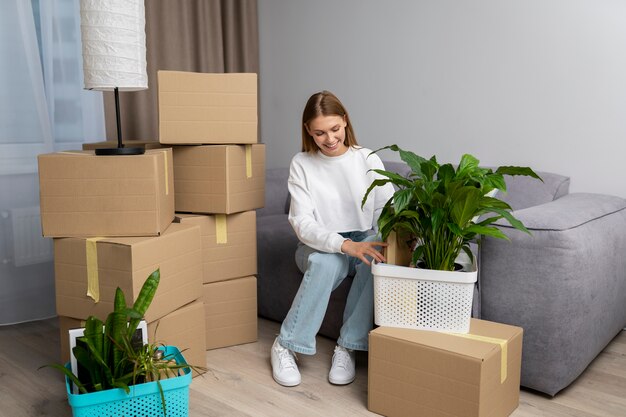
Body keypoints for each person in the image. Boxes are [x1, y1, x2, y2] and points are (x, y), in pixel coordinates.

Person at [270, 90, 395, 387]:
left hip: (363, 239)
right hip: (318, 246)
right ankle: (285, 345)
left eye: (335, 129)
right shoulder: (302, 163)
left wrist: (388, 240)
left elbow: (387, 209)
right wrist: (344, 245)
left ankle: (348, 346)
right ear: (308, 132)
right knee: (327, 265)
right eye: (320, 133)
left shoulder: (367, 158)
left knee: (375, 258)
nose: (329, 139)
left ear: (345, 121)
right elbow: (302, 222)